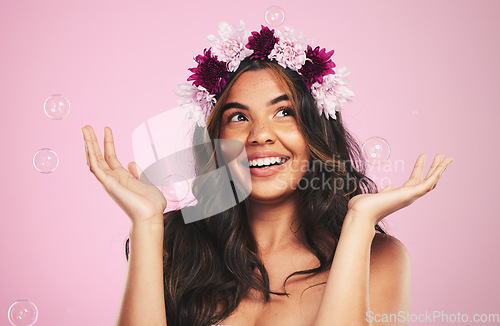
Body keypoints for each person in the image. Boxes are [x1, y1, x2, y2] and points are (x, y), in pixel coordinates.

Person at [81, 21, 453, 326]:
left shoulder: (378, 257)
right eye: (239, 117)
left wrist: (358, 222)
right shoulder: (176, 248)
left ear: (316, 130)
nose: (260, 135)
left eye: (284, 112)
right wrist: (146, 224)